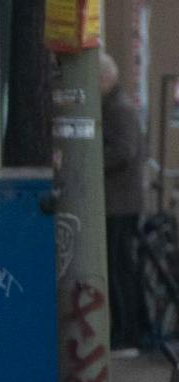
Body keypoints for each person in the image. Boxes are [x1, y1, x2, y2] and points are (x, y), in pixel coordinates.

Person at [100, 52, 146, 354]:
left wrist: (89, 160)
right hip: (117, 202)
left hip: (119, 204)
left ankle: (127, 333)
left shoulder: (118, 109)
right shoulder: (113, 107)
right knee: (118, 268)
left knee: (119, 269)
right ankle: (126, 330)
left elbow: (124, 151)